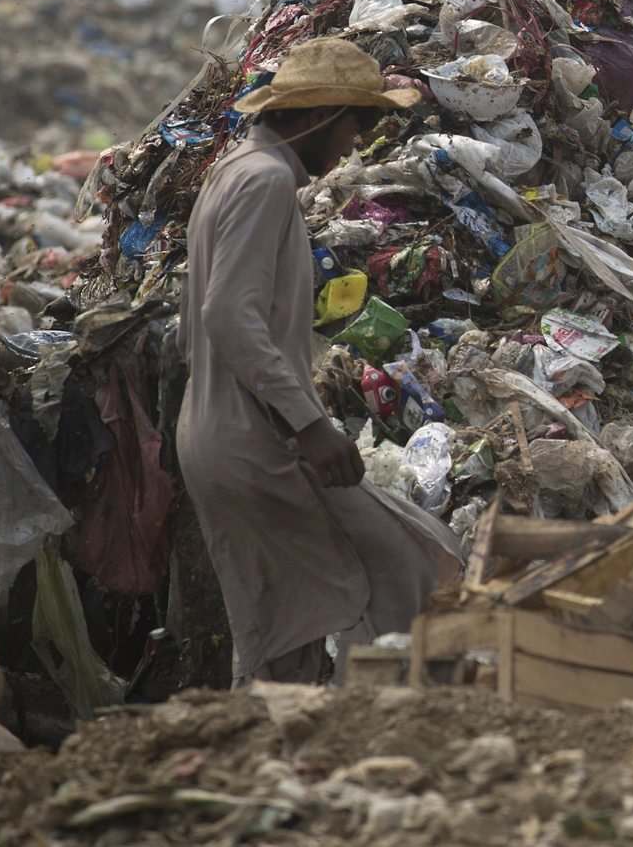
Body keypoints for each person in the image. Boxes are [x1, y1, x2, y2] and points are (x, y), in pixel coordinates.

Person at [179, 37, 462, 684]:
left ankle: (310, 721)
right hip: (255, 442)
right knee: (395, 566)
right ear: (318, 116)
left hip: (224, 432)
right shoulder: (265, 181)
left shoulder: (234, 170)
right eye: (352, 127)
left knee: (299, 613)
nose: (352, 147)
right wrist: (309, 424)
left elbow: (201, 316)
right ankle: (389, 709)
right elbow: (229, 315)